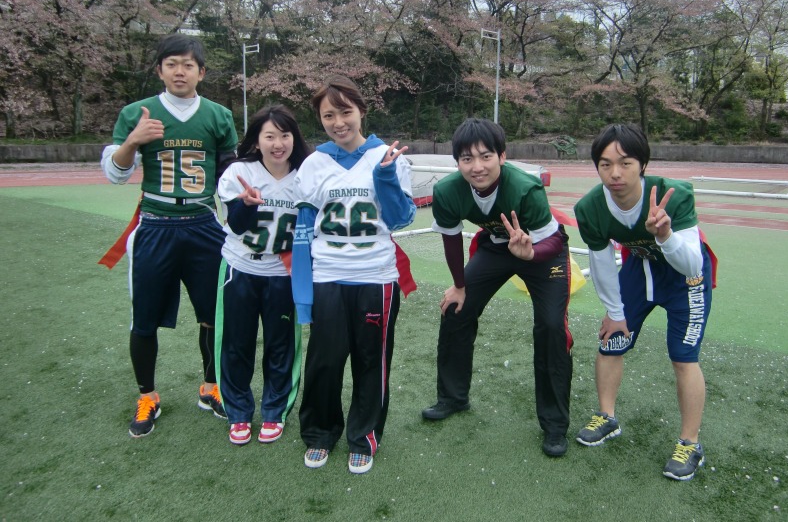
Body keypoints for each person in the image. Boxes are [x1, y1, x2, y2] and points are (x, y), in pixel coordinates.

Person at [100, 34, 238, 438]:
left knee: (213, 314)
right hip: (156, 224)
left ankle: (211, 387)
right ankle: (148, 395)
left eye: (188, 65)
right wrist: (133, 141)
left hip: (203, 225)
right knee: (143, 318)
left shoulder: (218, 115)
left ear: (201, 72)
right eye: (172, 64)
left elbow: (229, 174)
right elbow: (115, 173)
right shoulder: (136, 113)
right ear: (159, 69)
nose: (180, 71)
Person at [421, 118, 574, 458]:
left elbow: (553, 240)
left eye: (485, 156)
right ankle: (452, 397)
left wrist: (530, 253)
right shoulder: (447, 191)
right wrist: (459, 286)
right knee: (456, 308)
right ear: (457, 162)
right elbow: (450, 239)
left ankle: (554, 424)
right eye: (467, 158)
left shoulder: (525, 188)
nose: (477, 167)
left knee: (551, 327)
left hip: (541, 252)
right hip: (497, 247)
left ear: (502, 157)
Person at [573, 123, 714, 481]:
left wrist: (665, 234)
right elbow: (602, 263)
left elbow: (692, 265)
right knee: (612, 339)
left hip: (684, 277)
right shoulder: (590, 207)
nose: (615, 173)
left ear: (643, 164)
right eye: (605, 164)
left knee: (683, 356)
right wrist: (614, 312)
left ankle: (690, 443)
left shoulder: (673, 195)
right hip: (640, 267)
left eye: (626, 163)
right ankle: (607, 416)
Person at [291, 74, 417, 474]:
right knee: (324, 361)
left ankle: (364, 437)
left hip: (375, 277)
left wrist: (385, 178)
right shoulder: (314, 163)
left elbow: (400, 220)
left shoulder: (388, 157)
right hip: (328, 276)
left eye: (345, 112)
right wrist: (302, 291)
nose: (338, 122)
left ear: (362, 110)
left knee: (371, 361)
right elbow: (304, 230)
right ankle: (319, 432)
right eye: (328, 115)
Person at [215, 105, 310, 446]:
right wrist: (245, 205)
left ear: (294, 138)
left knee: (280, 345)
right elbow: (237, 225)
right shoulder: (240, 172)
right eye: (269, 136)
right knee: (236, 343)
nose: (278, 143)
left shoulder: (306, 175)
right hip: (241, 268)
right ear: (257, 140)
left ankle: (274, 411)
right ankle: (238, 412)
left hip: (282, 273)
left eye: (285, 135)